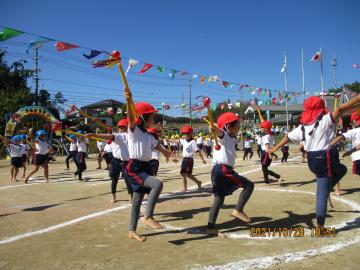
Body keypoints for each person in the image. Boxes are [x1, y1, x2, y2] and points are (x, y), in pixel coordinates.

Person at [270, 95, 360, 229]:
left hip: (312, 160)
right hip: (324, 157)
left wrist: (274, 148)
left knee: (342, 169)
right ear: (321, 109)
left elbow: (287, 137)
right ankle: (320, 226)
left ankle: (326, 190)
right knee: (322, 192)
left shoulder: (302, 127)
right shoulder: (325, 119)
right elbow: (341, 109)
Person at [124, 89, 171, 242]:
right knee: (157, 184)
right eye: (151, 116)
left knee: (137, 199)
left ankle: (132, 230)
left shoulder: (148, 135)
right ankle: (148, 217)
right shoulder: (134, 130)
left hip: (145, 167)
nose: (153, 119)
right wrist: (129, 101)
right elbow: (131, 117)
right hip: (134, 167)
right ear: (143, 118)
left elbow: (156, 145)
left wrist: (165, 153)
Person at [207, 112, 254, 236]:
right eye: (237, 127)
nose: (238, 130)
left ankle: (211, 227)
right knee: (249, 185)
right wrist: (214, 129)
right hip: (223, 170)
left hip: (217, 171)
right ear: (228, 127)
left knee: (219, 198)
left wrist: (216, 130)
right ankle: (238, 210)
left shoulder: (230, 138)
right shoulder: (225, 136)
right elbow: (219, 132)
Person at [331, 110, 360, 177]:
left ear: (355, 121)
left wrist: (329, 145)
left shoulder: (353, 131)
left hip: (358, 157)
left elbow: (341, 137)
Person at [179, 125, 206, 192]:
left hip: (189, 160)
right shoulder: (184, 140)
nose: (183, 135)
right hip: (184, 159)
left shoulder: (193, 142)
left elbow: (198, 151)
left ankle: (198, 182)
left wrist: (202, 159)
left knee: (187, 174)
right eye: (183, 133)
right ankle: (185, 187)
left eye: (185, 133)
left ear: (190, 134)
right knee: (182, 173)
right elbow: (177, 140)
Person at [260, 121, 282, 185]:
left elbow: (267, 145)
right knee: (264, 167)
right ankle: (266, 181)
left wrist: (270, 154)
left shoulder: (266, 136)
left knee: (264, 168)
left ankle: (278, 176)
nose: (260, 129)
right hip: (267, 151)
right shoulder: (270, 134)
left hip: (266, 152)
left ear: (266, 129)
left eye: (262, 127)